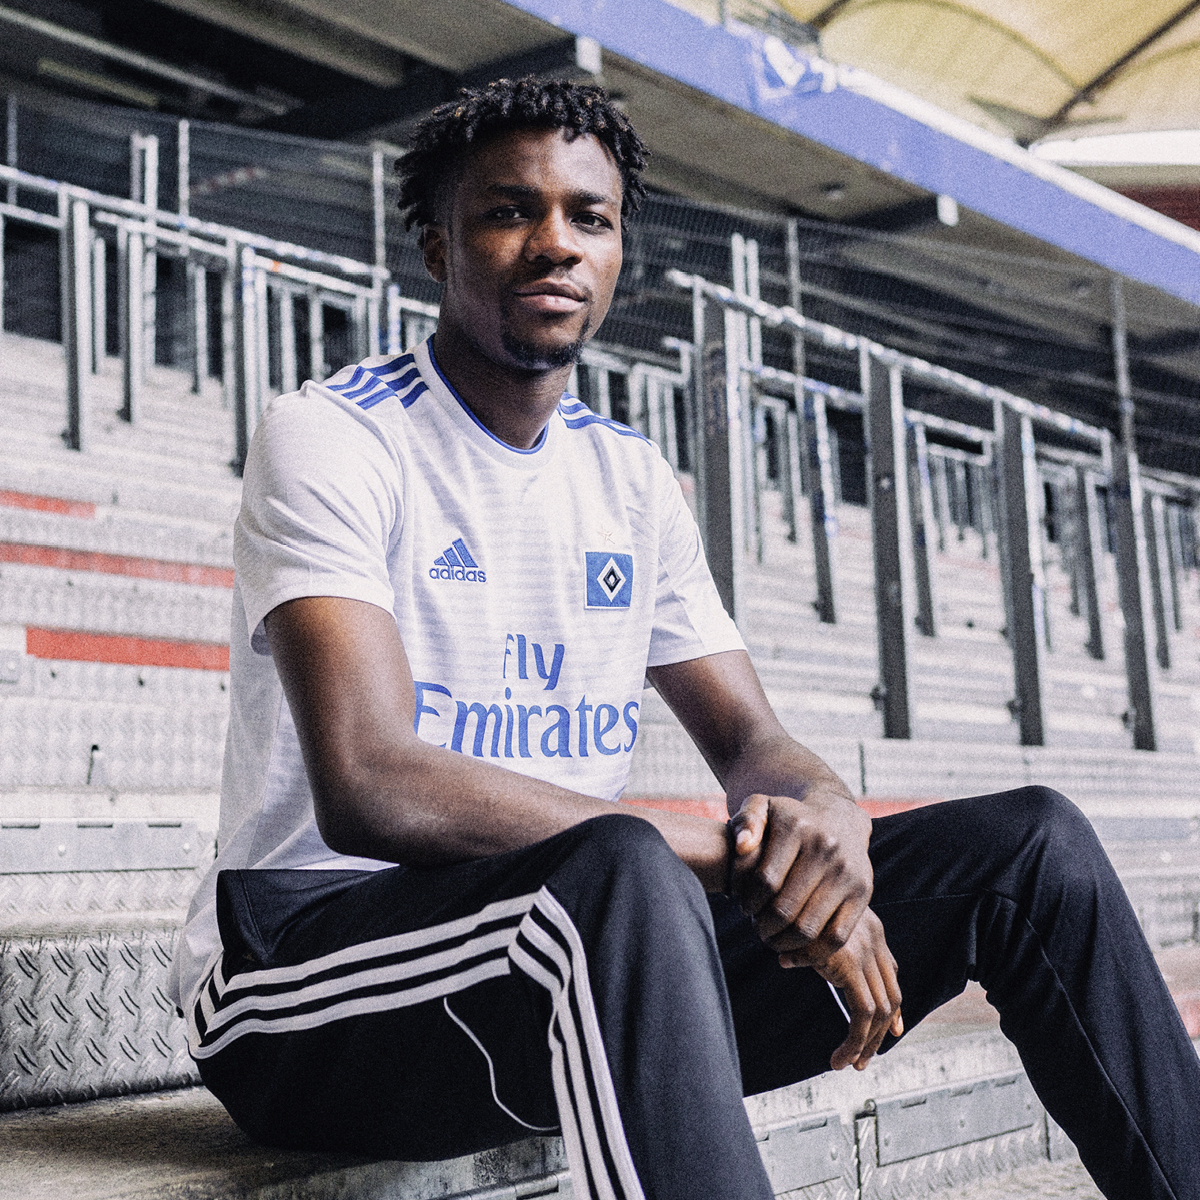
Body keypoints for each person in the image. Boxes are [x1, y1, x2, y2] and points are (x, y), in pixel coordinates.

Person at [170, 77, 1199, 1200]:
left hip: (588, 953)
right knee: (623, 867)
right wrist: (737, 857)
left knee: (1030, 849)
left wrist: (830, 829)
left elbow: (754, 743)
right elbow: (370, 783)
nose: (555, 243)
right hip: (308, 981)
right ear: (437, 248)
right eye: (508, 211)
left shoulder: (628, 477)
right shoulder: (336, 435)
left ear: (618, 254)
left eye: (590, 217)